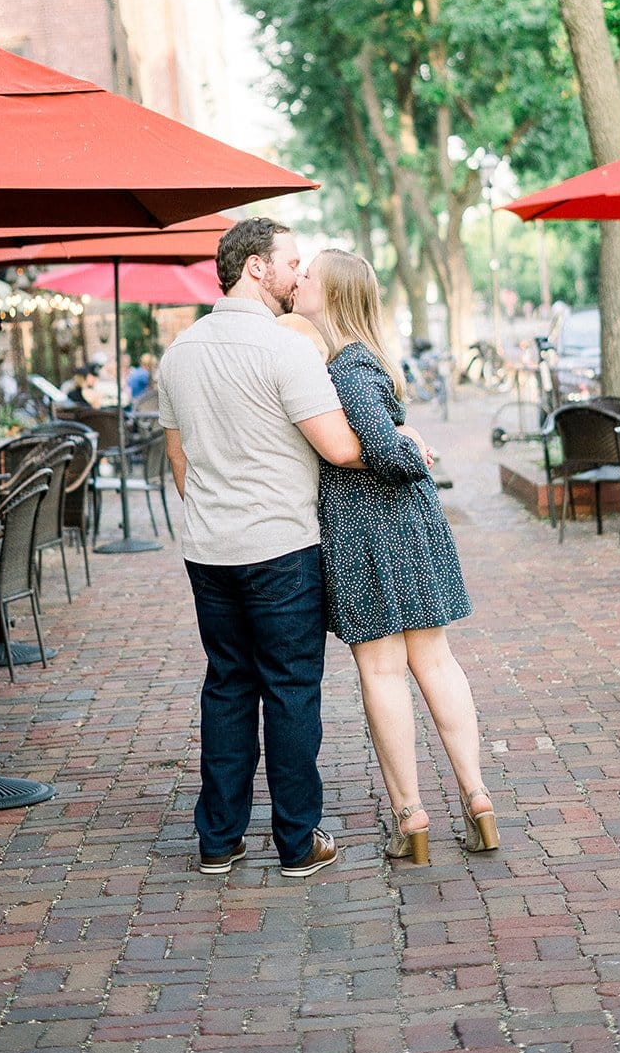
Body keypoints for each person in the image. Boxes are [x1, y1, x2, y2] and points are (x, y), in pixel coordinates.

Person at [158, 217, 365, 879]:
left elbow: (178, 458)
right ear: (254, 268)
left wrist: (218, 515)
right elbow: (338, 447)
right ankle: (297, 842)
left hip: (208, 548)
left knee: (226, 686)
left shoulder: (179, 352)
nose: (299, 274)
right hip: (280, 546)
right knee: (290, 689)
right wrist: (400, 441)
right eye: (292, 262)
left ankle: (218, 840)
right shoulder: (285, 351)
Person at [294, 248, 499, 865]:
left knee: (385, 672)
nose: (298, 279)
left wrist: (415, 449)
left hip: (368, 532)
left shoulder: (347, 368)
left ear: (331, 295)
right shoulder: (365, 360)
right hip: (407, 526)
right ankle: (478, 800)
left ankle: (411, 818)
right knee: (436, 664)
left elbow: (383, 450)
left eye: (308, 276)